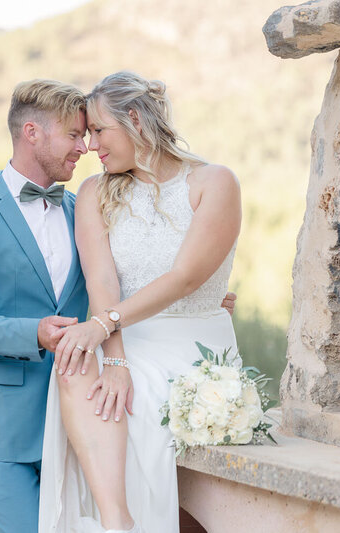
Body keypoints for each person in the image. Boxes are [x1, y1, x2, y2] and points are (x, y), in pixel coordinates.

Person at [0, 78, 236, 533]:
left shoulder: (89, 204)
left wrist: (204, 298)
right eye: (75, 135)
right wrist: (34, 333)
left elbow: (120, 280)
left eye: (91, 133)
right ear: (32, 132)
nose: (86, 147)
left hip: (87, 414)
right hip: (2, 421)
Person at [38, 71, 242, 533]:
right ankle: (117, 521)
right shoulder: (94, 192)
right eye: (86, 134)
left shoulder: (214, 182)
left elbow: (186, 277)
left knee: (124, 394)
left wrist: (105, 323)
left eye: (98, 131)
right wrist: (115, 359)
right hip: (126, 336)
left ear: (135, 120)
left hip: (194, 343)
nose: (90, 145)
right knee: (73, 359)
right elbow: (102, 279)